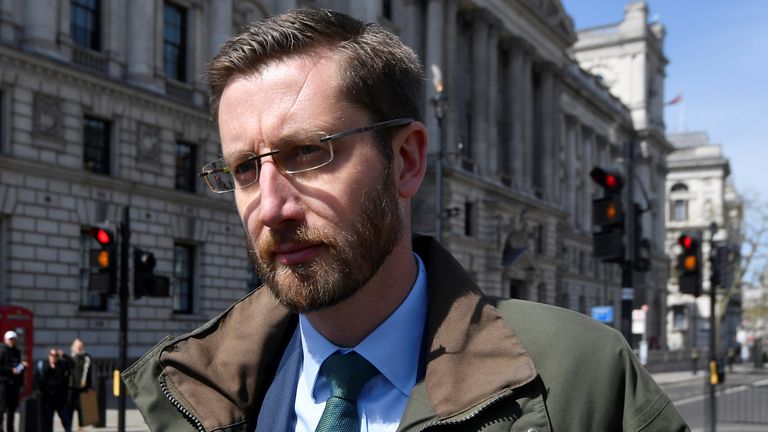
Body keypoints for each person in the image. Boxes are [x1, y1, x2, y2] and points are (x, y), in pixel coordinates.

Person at [124, 8, 689, 431]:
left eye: (308, 153)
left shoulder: (585, 377)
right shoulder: (192, 391)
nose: (270, 207)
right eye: (245, 168)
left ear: (407, 161)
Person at [34, 348, 73, 432]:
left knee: (66, 422)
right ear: (49, 356)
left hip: (61, 400)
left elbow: (72, 364)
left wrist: (63, 355)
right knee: (48, 423)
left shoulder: (62, 365)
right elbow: (36, 381)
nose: (54, 357)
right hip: (48, 400)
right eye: (52, 355)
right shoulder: (43, 366)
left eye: (56, 355)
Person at [0, 331, 26, 432]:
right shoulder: (2, 350)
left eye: (14, 339)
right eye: (10, 339)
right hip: (3, 384)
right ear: (6, 340)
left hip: (14, 385)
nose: (12, 341)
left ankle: (10, 429)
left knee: (12, 409)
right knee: (1, 409)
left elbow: (18, 367)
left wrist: (22, 367)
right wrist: (11, 370)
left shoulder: (17, 352)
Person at [68, 338, 92, 429]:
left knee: (81, 410)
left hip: (82, 388)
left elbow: (88, 372)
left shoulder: (86, 357)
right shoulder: (70, 358)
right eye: (76, 346)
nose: (78, 348)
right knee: (69, 409)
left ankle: (80, 428)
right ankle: (68, 428)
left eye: (80, 346)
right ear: (73, 347)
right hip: (71, 388)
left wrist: (89, 387)